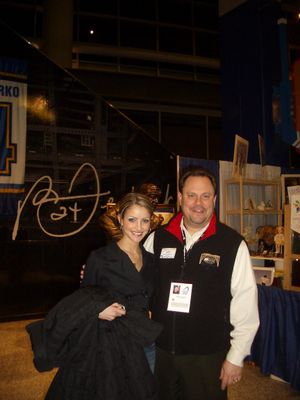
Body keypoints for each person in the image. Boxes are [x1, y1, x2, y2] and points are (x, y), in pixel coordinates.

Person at [27, 192, 162, 400]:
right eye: (132, 219)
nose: (138, 227)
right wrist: (98, 310)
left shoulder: (152, 260)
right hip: (112, 345)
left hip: (144, 340)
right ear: (120, 220)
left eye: (144, 220)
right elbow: (84, 300)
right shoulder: (100, 258)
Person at [143, 166, 260, 400]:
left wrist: (235, 357)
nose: (198, 203)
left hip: (208, 356)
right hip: (163, 352)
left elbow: (245, 302)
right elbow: (133, 277)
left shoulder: (231, 244)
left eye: (206, 196)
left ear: (214, 199)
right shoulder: (157, 238)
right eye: (191, 195)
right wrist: (101, 271)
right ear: (180, 197)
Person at [99, 183, 164, 241]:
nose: (156, 201)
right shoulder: (124, 207)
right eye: (152, 197)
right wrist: (124, 240)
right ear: (141, 196)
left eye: (157, 198)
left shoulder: (155, 220)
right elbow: (105, 219)